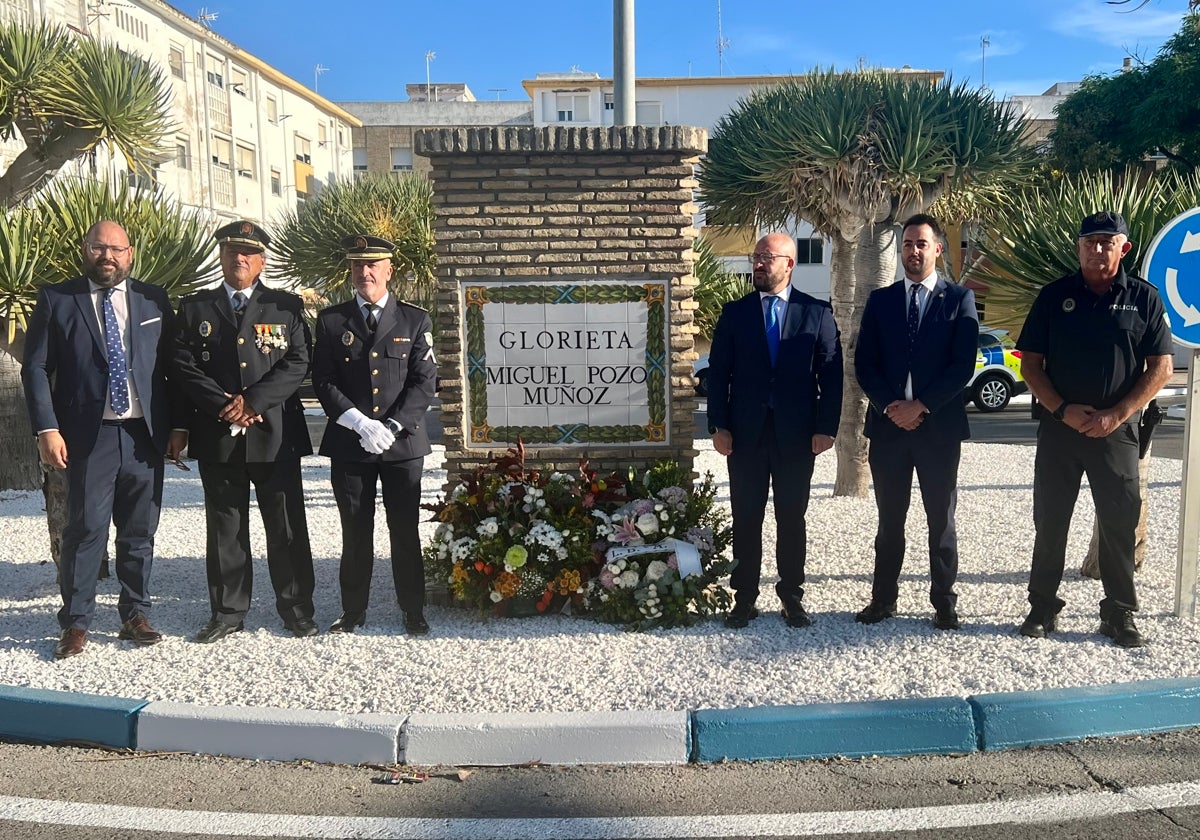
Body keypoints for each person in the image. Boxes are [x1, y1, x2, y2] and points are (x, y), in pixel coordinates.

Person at [22, 220, 179, 659]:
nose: (107, 256)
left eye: (115, 249)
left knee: (139, 530)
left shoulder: (153, 299)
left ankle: (135, 615)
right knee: (86, 529)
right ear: (86, 250)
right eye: (98, 248)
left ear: (130, 253)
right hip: (88, 437)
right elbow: (35, 367)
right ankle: (75, 623)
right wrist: (46, 428)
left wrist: (179, 428)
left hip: (143, 434)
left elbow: (172, 369)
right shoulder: (58, 299)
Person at [1016, 211, 1173, 648]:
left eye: (1107, 241)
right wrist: (1062, 409)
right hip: (1060, 430)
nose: (1097, 248)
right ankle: (1042, 607)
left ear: (1124, 248)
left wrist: (1117, 414)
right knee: (1050, 522)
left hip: (1116, 432)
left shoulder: (1144, 299)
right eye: (1089, 241)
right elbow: (1029, 363)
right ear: (1079, 248)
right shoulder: (1053, 297)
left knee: (1119, 524)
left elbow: (1161, 368)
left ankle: (1119, 613)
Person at [171, 220, 317, 643]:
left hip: (274, 433)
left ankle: (296, 609)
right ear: (221, 256)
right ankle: (229, 612)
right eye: (233, 251)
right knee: (225, 529)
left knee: (286, 527)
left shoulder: (285, 306)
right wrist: (224, 405)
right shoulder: (195, 307)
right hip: (218, 433)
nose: (240, 258)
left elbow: (298, 360)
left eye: (249, 253)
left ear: (262, 261)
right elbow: (182, 366)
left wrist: (252, 402)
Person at [706, 232, 843, 629]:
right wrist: (720, 424)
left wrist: (826, 429)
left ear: (790, 264)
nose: (760, 263)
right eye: (756, 256)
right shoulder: (735, 313)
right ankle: (744, 597)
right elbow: (718, 375)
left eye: (769, 257)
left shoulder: (816, 312)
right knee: (746, 517)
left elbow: (831, 377)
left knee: (791, 517)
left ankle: (792, 596)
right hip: (745, 435)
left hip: (797, 436)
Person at [854, 213, 979, 631]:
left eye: (922, 244)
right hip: (889, 429)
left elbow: (962, 366)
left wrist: (921, 406)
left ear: (937, 249)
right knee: (890, 520)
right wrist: (892, 405)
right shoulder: (881, 301)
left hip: (938, 430)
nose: (914, 251)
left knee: (940, 520)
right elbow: (865, 363)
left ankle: (944, 601)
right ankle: (882, 599)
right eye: (907, 244)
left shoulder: (959, 299)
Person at [311, 235, 437, 636]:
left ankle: (412, 609)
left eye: (372, 265)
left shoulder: (415, 319)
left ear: (388, 270)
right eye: (356, 266)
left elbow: (424, 381)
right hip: (351, 443)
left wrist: (391, 426)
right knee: (354, 529)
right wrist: (359, 423)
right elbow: (324, 380)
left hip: (401, 445)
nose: (364, 273)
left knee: (404, 530)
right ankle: (352, 611)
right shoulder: (332, 320)